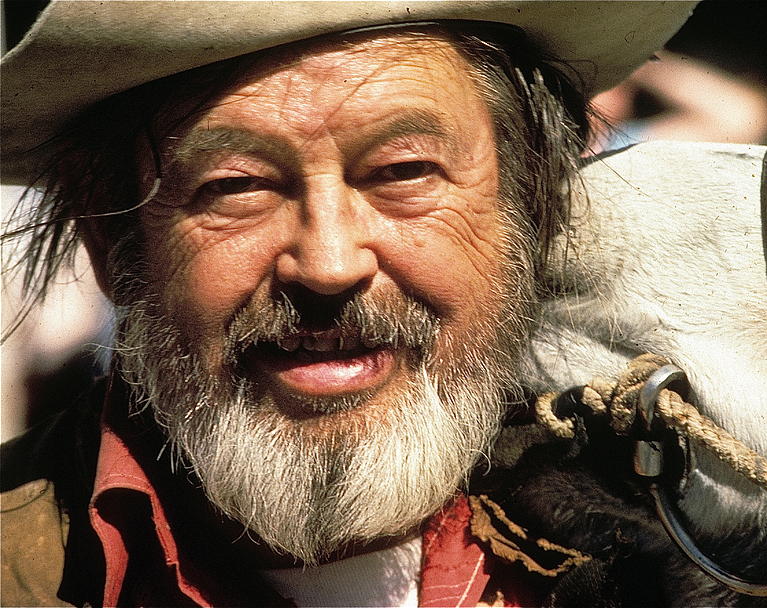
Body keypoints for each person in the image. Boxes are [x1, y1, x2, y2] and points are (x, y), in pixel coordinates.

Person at [0, 2, 702, 606]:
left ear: (533, 208)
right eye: (237, 184)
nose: (328, 266)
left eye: (404, 171)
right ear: (109, 236)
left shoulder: (711, 552)